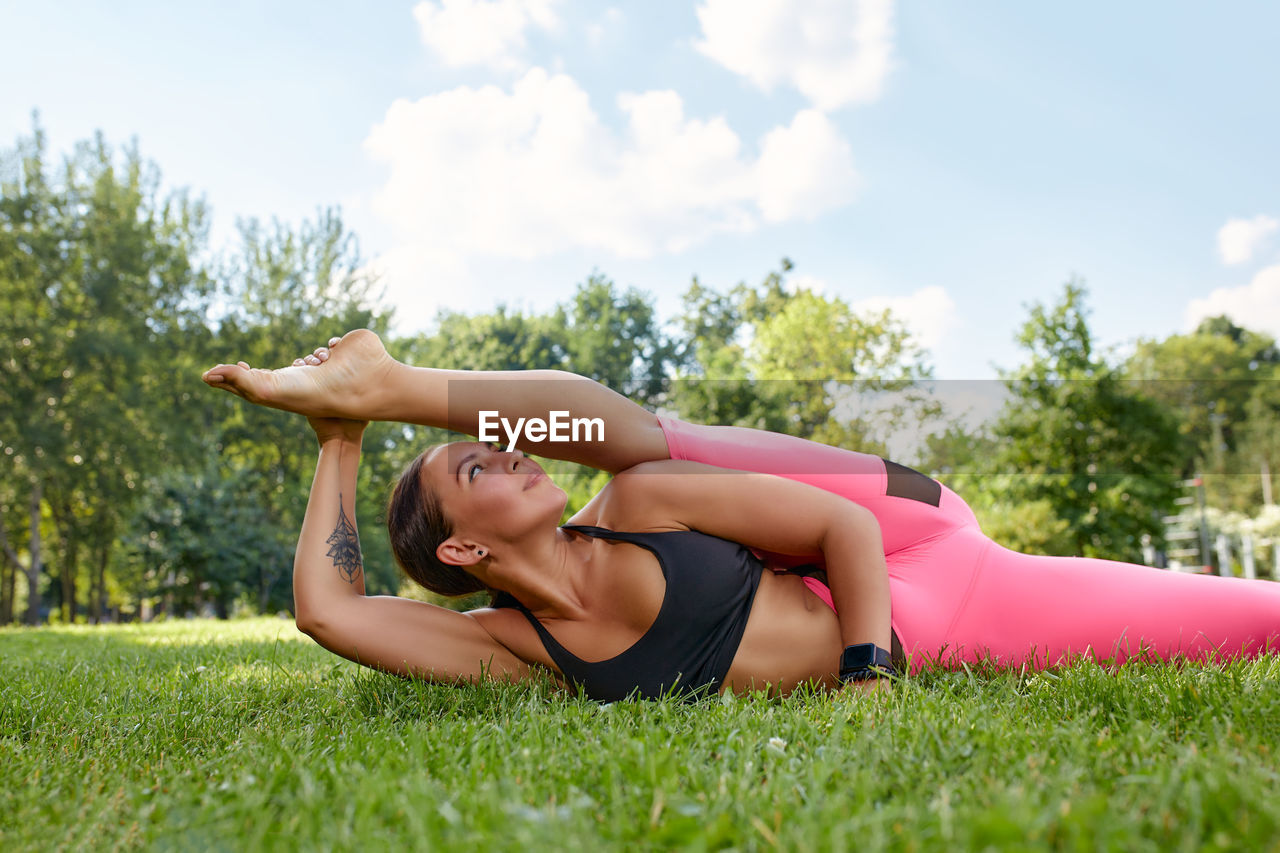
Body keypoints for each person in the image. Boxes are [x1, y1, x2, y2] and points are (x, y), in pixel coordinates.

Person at [201, 330, 1280, 701]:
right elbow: (329, 613)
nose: (515, 450)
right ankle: (363, 398)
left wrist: (866, 672)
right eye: (479, 464)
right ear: (463, 547)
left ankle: (391, 381)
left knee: (637, 444)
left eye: (502, 437)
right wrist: (332, 445)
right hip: (950, 618)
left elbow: (840, 531)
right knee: (1257, 624)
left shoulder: (637, 501)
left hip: (895, 530)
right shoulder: (514, 650)